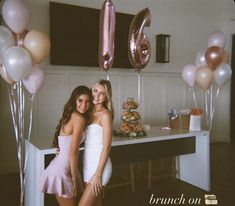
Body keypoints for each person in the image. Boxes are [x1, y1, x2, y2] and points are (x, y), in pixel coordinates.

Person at [39, 85, 92, 206]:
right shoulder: (79, 119)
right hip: (62, 172)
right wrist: (73, 177)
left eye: (87, 101)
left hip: (62, 168)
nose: (84, 105)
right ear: (74, 100)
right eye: (80, 100)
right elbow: (73, 151)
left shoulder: (73, 115)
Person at [78, 80, 114, 206]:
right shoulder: (87, 113)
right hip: (87, 165)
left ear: (106, 97)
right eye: (95, 91)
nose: (97, 95)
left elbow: (107, 147)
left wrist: (98, 175)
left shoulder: (105, 115)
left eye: (102, 93)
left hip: (100, 169)